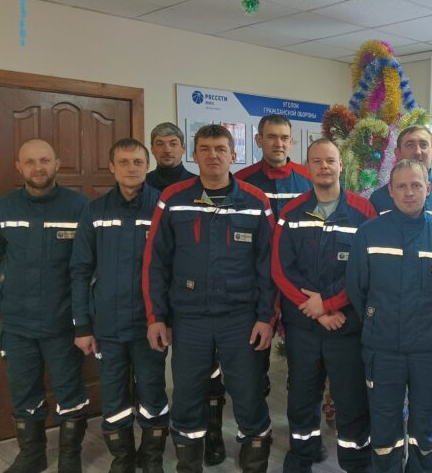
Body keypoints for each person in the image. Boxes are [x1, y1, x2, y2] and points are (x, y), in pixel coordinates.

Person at [144, 124, 276, 472]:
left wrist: (267, 317)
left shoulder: (255, 201)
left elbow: (269, 267)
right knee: (187, 398)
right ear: (194, 154)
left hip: (241, 320)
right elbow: (155, 262)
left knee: (249, 396)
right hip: (190, 320)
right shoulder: (173, 199)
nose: (213, 155)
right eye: (205, 148)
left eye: (220, 149)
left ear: (233, 155)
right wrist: (156, 317)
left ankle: (254, 464)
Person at [0, 139, 90, 473]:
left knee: (70, 392)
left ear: (57, 163)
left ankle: (69, 457)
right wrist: (15, 274)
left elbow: (90, 260)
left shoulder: (79, 207)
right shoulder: (4, 209)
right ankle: (32, 455)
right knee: (23, 391)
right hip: (17, 323)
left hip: (63, 322)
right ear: (19, 167)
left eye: (44, 160)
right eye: (30, 161)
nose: (37, 167)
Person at [347, 159, 432, 472]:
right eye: (401, 186)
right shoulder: (370, 233)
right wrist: (378, 320)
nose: (409, 192)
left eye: (416, 185)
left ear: (428, 189)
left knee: (425, 427)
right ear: (391, 191)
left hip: (429, 350)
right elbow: (357, 288)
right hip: (383, 350)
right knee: (384, 429)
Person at [369, 124, 432, 472]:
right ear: (398, 153)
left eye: (423, 144)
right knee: (391, 404)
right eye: (409, 144)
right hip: (391, 325)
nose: (418, 150)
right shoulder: (379, 199)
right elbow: (366, 273)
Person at [272, 138, 375, 472]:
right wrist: (315, 309)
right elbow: (280, 268)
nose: (324, 166)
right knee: (302, 397)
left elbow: (364, 269)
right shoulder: (291, 212)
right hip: (304, 327)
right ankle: (302, 455)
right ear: (308, 167)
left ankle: (356, 461)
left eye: (330, 160)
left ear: (341, 165)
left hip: (345, 325)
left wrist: (329, 304)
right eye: (316, 161)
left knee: (351, 399)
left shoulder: (363, 211)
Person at [70, 138, 168, 472]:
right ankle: (123, 458)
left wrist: (167, 319)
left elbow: (174, 266)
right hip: (107, 326)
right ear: (111, 167)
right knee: (113, 398)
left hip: (150, 324)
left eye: (138, 162)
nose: (131, 168)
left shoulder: (163, 208)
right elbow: (80, 271)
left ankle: (151, 458)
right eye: (123, 162)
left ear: (147, 166)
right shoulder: (94, 211)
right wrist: (82, 326)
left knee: (153, 394)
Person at [236, 114, 327, 463]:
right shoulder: (242, 181)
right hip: (255, 285)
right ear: (259, 140)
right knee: (253, 366)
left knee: (304, 370)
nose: (278, 143)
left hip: (298, 286)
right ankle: (256, 434)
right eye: (272, 137)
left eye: (284, 138)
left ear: (292, 142)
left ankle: (306, 438)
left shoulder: (307, 178)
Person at [146, 122, 195, 191]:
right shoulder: (142, 184)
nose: (167, 150)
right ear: (152, 149)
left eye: (173, 144)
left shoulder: (198, 184)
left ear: (183, 148)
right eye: (160, 144)